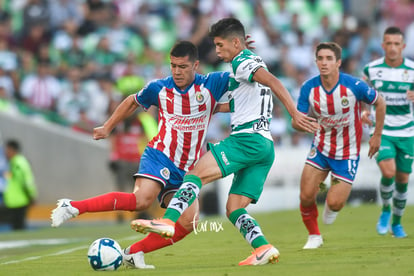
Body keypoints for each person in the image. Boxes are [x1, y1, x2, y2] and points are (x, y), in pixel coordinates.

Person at [130, 18, 318, 266]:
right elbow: (248, 87)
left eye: (220, 45)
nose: (217, 51)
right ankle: (262, 247)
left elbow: (273, 81)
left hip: (246, 139)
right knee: (234, 208)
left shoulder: (242, 61)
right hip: (265, 146)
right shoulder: (250, 59)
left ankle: (167, 220)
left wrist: (294, 112)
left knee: (195, 175)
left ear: (235, 43)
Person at [51, 41, 232, 269]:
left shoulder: (212, 84)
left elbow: (244, 80)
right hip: (160, 155)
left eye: (183, 67)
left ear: (196, 65)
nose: (176, 71)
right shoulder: (160, 88)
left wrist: (242, 51)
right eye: (173, 66)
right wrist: (108, 127)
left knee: (189, 222)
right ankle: (73, 206)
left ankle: (133, 253)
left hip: (188, 169)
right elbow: (131, 101)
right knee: (142, 200)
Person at [296, 42, 386, 249]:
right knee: (306, 195)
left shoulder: (353, 86)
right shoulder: (308, 88)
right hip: (320, 148)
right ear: (316, 61)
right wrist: (303, 124)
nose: (324, 63)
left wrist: (377, 136)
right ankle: (314, 236)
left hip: (347, 152)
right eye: (320, 59)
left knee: (335, 203)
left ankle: (331, 208)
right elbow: (297, 120)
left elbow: (381, 103)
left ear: (338, 62)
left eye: (329, 59)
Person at [362, 26, 414, 238]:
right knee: (388, 172)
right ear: (383, 45)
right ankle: (385, 210)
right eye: (388, 43)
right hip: (382, 129)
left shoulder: (412, 70)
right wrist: (364, 112)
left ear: (403, 46)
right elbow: (361, 95)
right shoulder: (371, 70)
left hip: (407, 131)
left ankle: (397, 222)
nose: (392, 48)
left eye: (396, 44)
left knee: (402, 179)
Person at [3, 139, 37, 230]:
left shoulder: (19, 163)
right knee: (16, 227)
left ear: (12, 150)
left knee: (18, 227)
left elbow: (27, 181)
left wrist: (31, 195)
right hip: (14, 201)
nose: (5, 153)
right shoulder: (14, 162)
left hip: (19, 201)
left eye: (7, 150)